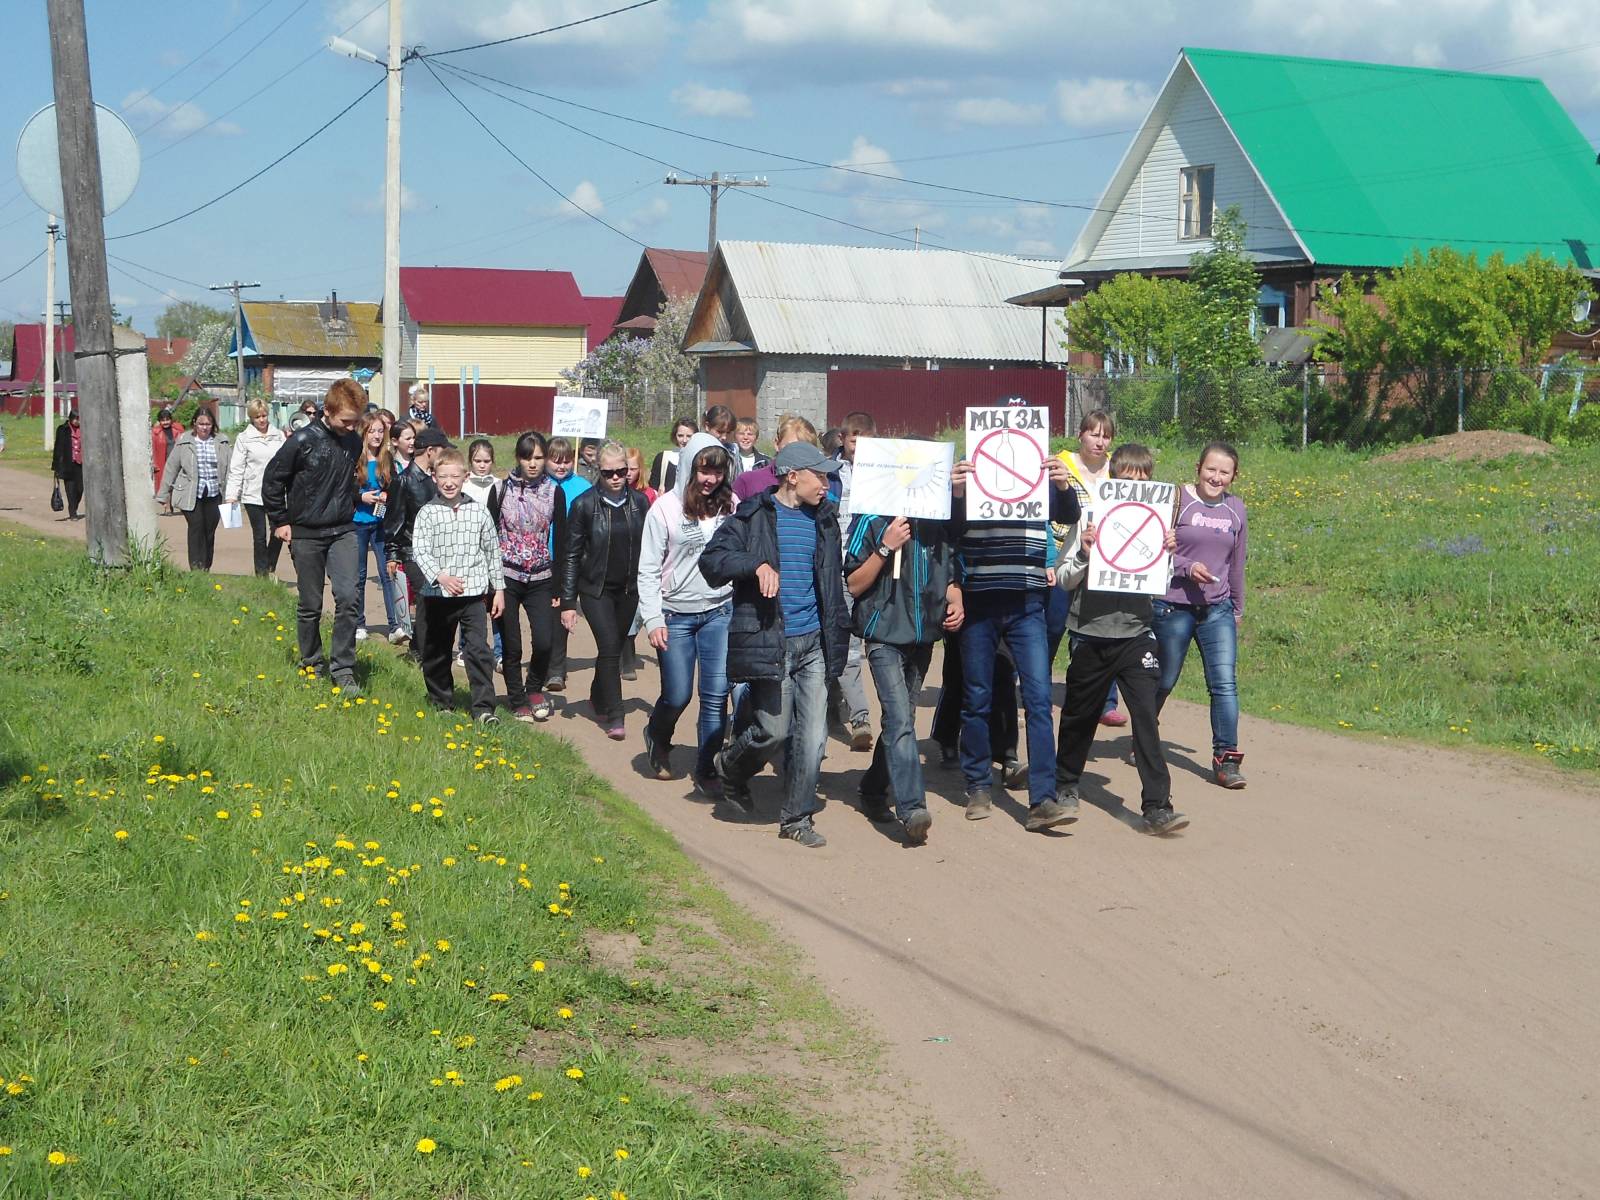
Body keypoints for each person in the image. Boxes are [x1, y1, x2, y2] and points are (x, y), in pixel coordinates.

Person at [701, 442, 850, 849]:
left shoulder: (826, 519)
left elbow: (835, 580)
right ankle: (730, 768)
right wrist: (755, 564)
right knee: (773, 732)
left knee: (815, 736)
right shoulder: (751, 517)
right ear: (792, 476)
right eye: (819, 475)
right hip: (774, 642)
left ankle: (796, 818)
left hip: (814, 642)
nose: (827, 483)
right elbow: (712, 562)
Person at [951, 412, 1082, 831]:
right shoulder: (969, 479)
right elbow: (948, 532)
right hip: (979, 603)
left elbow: (1067, 515)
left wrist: (1062, 483)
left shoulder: (1040, 476)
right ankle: (977, 785)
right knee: (977, 696)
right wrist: (954, 494)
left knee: (1040, 700)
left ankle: (1042, 799)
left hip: (1028, 603)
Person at [1055, 443, 1186, 835]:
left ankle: (1158, 806)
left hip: (1136, 634)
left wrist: (1165, 554)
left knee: (1146, 716)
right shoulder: (1088, 521)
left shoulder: (1157, 527)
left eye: (1144, 479)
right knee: (1079, 716)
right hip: (1090, 633)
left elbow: (1160, 586)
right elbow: (1063, 579)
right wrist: (1084, 552)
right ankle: (1065, 786)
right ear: (1114, 480)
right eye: (1127, 478)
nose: (1136, 485)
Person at [845, 484, 966, 846]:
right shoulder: (871, 518)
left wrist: (956, 600)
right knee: (898, 720)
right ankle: (912, 808)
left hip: (924, 637)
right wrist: (887, 546)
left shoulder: (938, 523)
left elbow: (950, 577)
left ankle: (871, 789)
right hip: (883, 636)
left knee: (904, 722)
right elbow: (853, 584)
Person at [639, 433, 735, 795]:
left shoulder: (731, 505)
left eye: (717, 471)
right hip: (675, 615)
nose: (710, 479)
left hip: (718, 611)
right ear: (690, 467)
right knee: (677, 695)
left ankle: (706, 765)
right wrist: (653, 618)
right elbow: (648, 568)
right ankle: (658, 735)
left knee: (716, 693)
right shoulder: (664, 509)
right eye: (703, 469)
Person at [1155, 441, 1250, 790]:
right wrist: (1185, 566)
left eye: (1225, 472)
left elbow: (1237, 564)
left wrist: (1237, 608)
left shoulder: (1236, 510)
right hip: (1172, 606)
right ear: (1198, 467)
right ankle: (1145, 737)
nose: (1217, 477)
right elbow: (1152, 550)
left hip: (1217, 610)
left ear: (1234, 476)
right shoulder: (1176, 500)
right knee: (1163, 680)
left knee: (1224, 684)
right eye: (1211, 469)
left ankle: (1227, 759)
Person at [262, 379, 366, 692]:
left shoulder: (353, 442)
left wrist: (358, 497)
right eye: (346, 421)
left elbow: (344, 482)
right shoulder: (303, 440)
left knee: (349, 597)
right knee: (311, 603)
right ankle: (311, 664)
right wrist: (280, 521)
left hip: (343, 530)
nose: (351, 427)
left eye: (356, 421)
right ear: (328, 410)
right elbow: (272, 480)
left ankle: (344, 668)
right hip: (306, 533)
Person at [559, 442, 648, 738]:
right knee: (611, 647)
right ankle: (615, 712)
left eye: (621, 471)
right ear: (599, 470)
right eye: (608, 472)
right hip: (595, 590)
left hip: (628, 590)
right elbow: (571, 555)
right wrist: (569, 602)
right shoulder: (584, 504)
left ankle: (598, 695)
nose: (615, 477)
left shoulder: (640, 503)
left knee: (613, 646)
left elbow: (650, 550)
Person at [411, 448, 505, 725]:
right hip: (437, 595)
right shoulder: (427, 513)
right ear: (434, 477)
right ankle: (442, 701)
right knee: (437, 651)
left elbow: (491, 551)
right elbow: (420, 550)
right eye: (443, 477)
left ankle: (484, 709)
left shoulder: (478, 512)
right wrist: (440, 577)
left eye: (455, 476)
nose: (449, 482)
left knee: (478, 650)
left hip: (474, 595)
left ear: (465, 477)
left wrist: (497, 590)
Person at [1053, 408, 1125, 725]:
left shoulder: (1118, 470)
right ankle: (1036, 688)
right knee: (1053, 626)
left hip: (1104, 559)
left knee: (1102, 627)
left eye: (1106, 435)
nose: (1099, 440)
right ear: (1080, 434)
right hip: (1062, 554)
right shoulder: (1060, 464)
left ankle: (1107, 701)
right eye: (1093, 433)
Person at [494, 432, 564, 723]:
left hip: (541, 576)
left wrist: (559, 584)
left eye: (538, 457)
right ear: (518, 458)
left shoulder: (554, 491)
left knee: (545, 641)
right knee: (512, 644)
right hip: (506, 575)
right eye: (527, 457)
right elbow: (488, 535)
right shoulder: (500, 490)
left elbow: (562, 539)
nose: (533, 463)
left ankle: (534, 688)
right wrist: (492, 583)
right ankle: (517, 698)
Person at [828, 410, 877, 751]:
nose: (860, 448)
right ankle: (860, 717)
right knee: (848, 648)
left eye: (866, 441)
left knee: (865, 643)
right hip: (838, 568)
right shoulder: (829, 474)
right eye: (854, 441)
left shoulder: (883, 474)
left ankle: (835, 702)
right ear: (843, 439)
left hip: (874, 566)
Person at [384, 426, 451, 662]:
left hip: (438, 552)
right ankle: (421, 653)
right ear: (430, 451)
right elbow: (393, 522)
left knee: (436, 600)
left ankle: (419, 647)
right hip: (412, 552)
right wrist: (392, 555)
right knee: (426, 596)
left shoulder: (439, 480)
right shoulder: (404, 481)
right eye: (443, 451)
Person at [542, 437, 592, 692]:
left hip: (569, 560)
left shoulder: (583, 486)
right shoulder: (539, 484)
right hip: (540, 559)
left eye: (566, 461)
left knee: (561, 613)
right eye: (555, 460)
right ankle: (542, 662)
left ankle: (556, 670)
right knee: (541, 619)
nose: (561, 466)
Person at [157, 406, 232, 572]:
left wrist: (233, 494)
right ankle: (196, 568)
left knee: (209, 531)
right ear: (194, 424)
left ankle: (206, 567)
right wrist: (163, 494)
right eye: (201, 424)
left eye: (208, 424)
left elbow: (231, 468)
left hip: (214, 493)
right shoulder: (184, 440)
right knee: (196, 527)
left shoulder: (222, 441)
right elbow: (171, 467)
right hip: (190, 493)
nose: (204, 427)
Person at [352, 414, 405, 643]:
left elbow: (394, 488)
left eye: (380, 431)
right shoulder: (355, 459)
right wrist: (360, 496)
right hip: (357, 523)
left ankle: (395, 626)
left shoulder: (387, 459)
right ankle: (359, 623)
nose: (377, 435)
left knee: (387, 573)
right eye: (372, 431)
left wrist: (386, 495)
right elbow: (344, 489)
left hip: (380, 524)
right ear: (364, 433)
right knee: (360, 575)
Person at [226, 398, 288, 577]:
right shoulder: (244, 438)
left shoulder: (279, 436)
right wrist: (232, 495)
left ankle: (270, 566)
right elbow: (237, 468)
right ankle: (261, 575)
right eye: (257, 417)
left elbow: (287, 463)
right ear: (251, 418)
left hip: (276, 493)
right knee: (259, 536)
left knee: (279, 532)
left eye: (264, 415)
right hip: (253, 494)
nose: (261, 420)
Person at [734, 414, 817, 501]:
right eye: (790, 447)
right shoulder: (748, 482)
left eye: (805, 450)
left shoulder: (817, 485)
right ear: (777, 444)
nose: (796, 454)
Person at [51, 409, 84, 520]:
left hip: (80, 464)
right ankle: (73, 512)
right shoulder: (62, 430)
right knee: (70, 490)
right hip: (67, 464)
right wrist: (56, 466)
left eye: (78, 419)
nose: (76, 421)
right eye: (75, 419)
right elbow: (58, 449)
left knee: (80, 489)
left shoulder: (84, 429)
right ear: (70, 418)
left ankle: (74, 506)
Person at [650, 418, 696, 493]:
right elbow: (653, 489)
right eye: (680, 436)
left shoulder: (699, 459)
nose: (684, 440)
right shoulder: (663, 458)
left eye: (689, 436)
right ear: (675, 436)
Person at [150, 407, 185, 495]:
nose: (165, 422)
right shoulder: (155, 433)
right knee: (164, 487)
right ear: (159, 421)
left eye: (167, 419)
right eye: (163, 420)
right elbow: (152, 450)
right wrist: (153, 463)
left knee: (177, 486)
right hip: (163, 463)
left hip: (177, 462)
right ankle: (166, 506)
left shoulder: (178, 430)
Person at [703, 404, 742, 480]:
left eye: (728, 432)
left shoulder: (733, 451)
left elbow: (737, 478)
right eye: (720, 432)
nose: (724, 437)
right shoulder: (697, 449)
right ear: (707, 426)